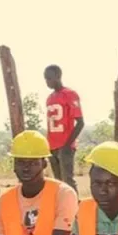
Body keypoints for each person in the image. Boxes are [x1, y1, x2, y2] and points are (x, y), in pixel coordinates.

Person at [44, 64, 84, 193]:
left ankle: (75, 210)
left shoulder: (70, 94)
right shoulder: (49, 98)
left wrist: (67, 145)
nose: (47, 82)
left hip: (65, 145)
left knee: (68, 181)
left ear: (58, 76)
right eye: (45, 79)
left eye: (49, 78)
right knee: (58, 182)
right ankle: (63, 210)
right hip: (52, 146)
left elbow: (80, 122)